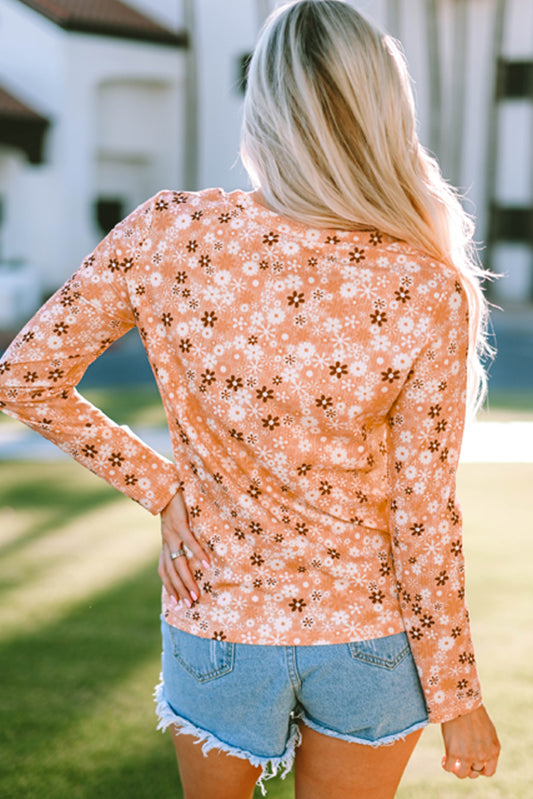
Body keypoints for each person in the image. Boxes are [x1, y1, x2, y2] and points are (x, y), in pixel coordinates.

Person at [0, 1, 500, 797]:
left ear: (263, 101)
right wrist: (457, 696)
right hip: (368, 635)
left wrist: (161, 488)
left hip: (218, 620)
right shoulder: (423, 283)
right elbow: (422, 513)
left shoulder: (167, 232)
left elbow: (25, 376)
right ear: (382, 110)